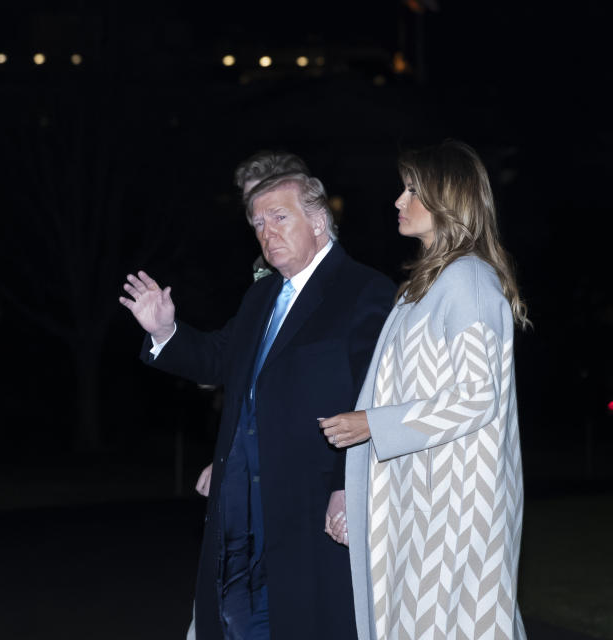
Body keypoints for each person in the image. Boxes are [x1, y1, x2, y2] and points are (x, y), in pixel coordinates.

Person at [120, 172, 395, 639]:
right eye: (258, 223)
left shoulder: (363, 290)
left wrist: (346, 484)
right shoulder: (262, 294)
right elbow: (217, 360)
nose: (267, 232)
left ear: (318, 222)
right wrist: (165, 331)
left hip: (308, 505)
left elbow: (374, 397)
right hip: (239, 503)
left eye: (279, 217)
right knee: (233, 622)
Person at [319, 140, 529, 639]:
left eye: (413, 189)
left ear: (447, 199)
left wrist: (373, 424)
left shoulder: (469, 281)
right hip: (420, 499)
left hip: (456, 509)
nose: (398, 200)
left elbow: (478, 396)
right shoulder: (427, 286)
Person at [194, 150, 312, 499]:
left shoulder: (324, 274)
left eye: (267, 202)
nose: (255, 215)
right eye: (249, 204)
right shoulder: (265, 268)